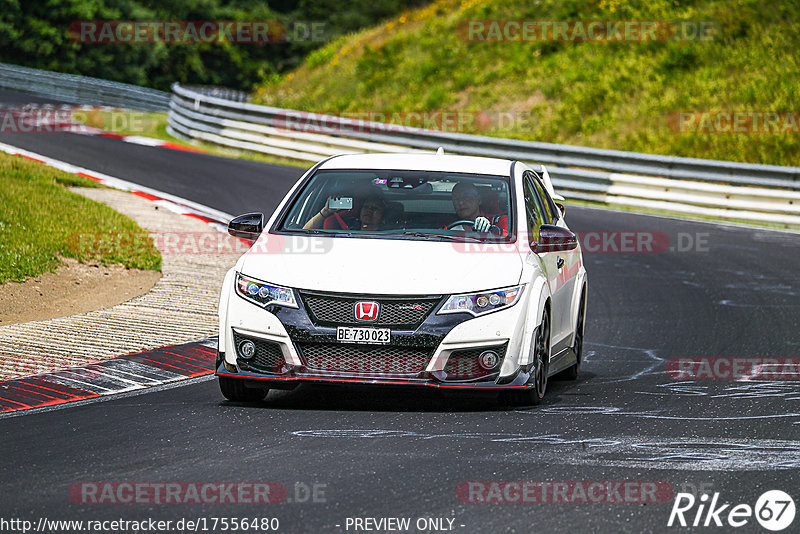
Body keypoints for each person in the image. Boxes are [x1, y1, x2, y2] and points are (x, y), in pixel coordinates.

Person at [303, 191, 386, 231]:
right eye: (366, 207)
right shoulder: (345, 224)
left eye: (375, 208)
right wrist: (325, 211)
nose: (369, 210)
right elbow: (305, 231)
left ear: (383, 216)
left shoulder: (390, 234)